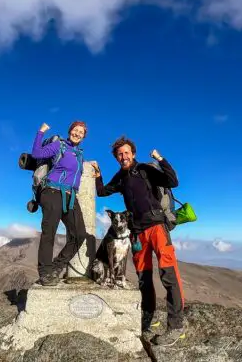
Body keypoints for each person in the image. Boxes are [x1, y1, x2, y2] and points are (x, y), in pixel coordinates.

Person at [91, 136, 186, 346]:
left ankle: (176, 326)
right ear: (117, 158)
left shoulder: (145, 169)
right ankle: (147, 319)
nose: (123, 157)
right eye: (119, 154)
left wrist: (161, 159)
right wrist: (98, 176)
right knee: (144, 278)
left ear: (133, 153)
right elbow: (102, 191)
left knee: (168, 275)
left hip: (157, 228)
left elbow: (173, 181)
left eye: (126, 153)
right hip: (137, 233)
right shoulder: (120, 177)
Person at [31, 121, 88, 286]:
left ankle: (57, 266)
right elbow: (36, 153)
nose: (77, 133)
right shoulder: (59, 145)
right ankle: (45, 272)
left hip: (70, 197)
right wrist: (40, 132)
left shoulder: (79, 154)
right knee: (49, 233)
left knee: (79, 234)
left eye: (81, 132)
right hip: (52, 192)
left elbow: (75, 170)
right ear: (70, 131)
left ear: (83, 136)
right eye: (75, 130)